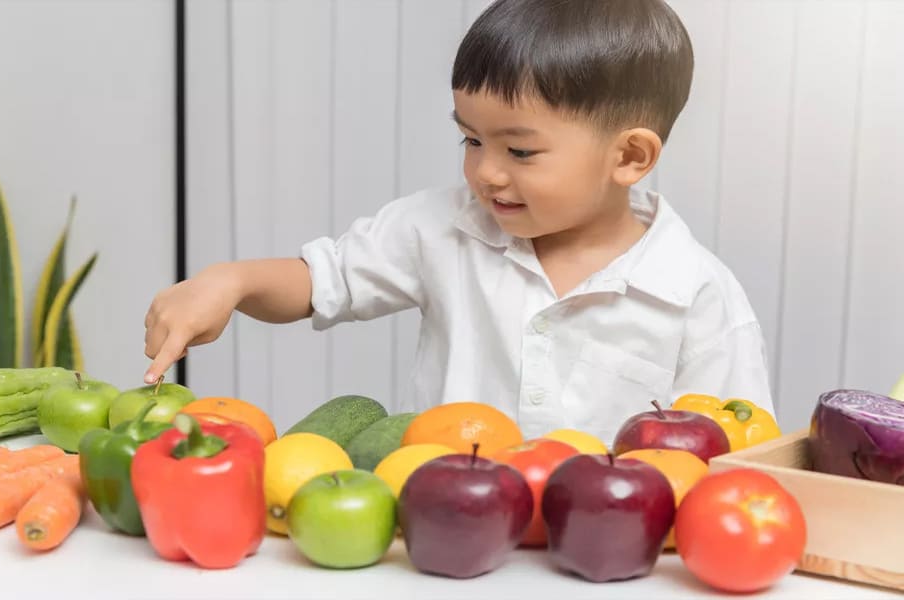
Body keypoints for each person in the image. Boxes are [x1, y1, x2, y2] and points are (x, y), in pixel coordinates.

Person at [143, 0, 774, 445]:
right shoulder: (441, 227)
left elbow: (737, 448)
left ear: (630, 156)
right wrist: (231, 281)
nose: (487, 173)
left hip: (606, 558)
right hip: (442, 531)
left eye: (519, 151)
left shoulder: (697, 293)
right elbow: (321, 281)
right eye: (472, 140)